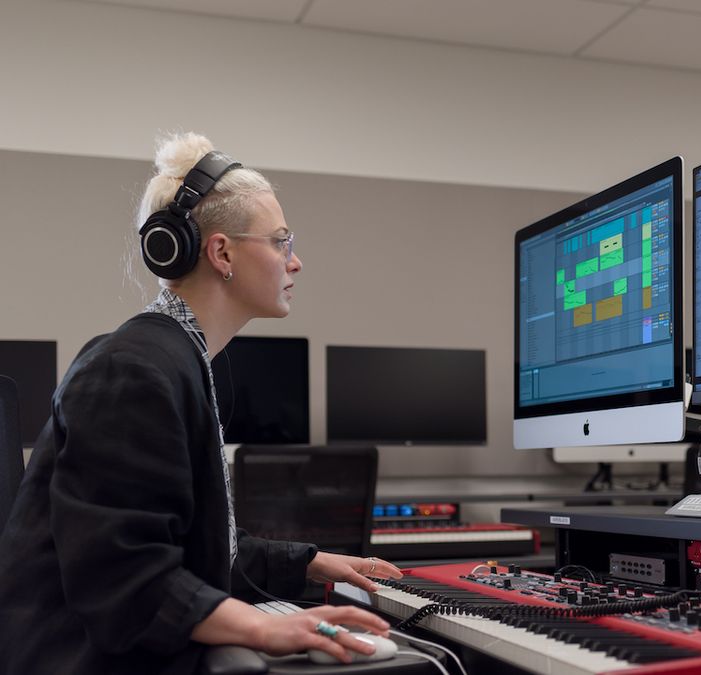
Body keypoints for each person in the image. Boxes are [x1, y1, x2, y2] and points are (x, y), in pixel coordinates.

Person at [0, 133, 404, 673]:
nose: (296, 261)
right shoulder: (131, 369)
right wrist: (268, 626)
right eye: (282, 241)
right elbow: (125, 578)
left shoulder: (172, 357)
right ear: (222, 253)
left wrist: (311, 563)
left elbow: (197, 550)